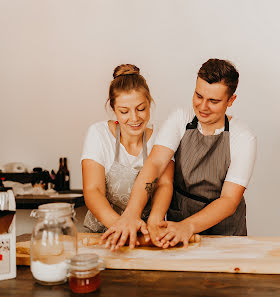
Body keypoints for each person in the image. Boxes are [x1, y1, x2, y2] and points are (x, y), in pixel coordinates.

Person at [101, 58, 257, 249]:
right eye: (199, 96)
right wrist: (132, 213)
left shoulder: (243, 137)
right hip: (176, 222)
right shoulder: (180, 119)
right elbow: (155, 165)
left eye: (213, 101)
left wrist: (188, 226)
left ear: (231, 100)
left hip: (224, 231)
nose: (203, 106)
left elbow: (229, 200)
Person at [81, 64, 174, 249]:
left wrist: (154, 223)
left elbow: (164, 184)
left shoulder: (161, 137)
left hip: (146, 238)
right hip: (102, 236)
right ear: (113, 108)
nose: (134, 118)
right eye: (124, 111)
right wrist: (121, 227)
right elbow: (93, 191)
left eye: (141, 108)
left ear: (150, 103)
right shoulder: (98, 134)